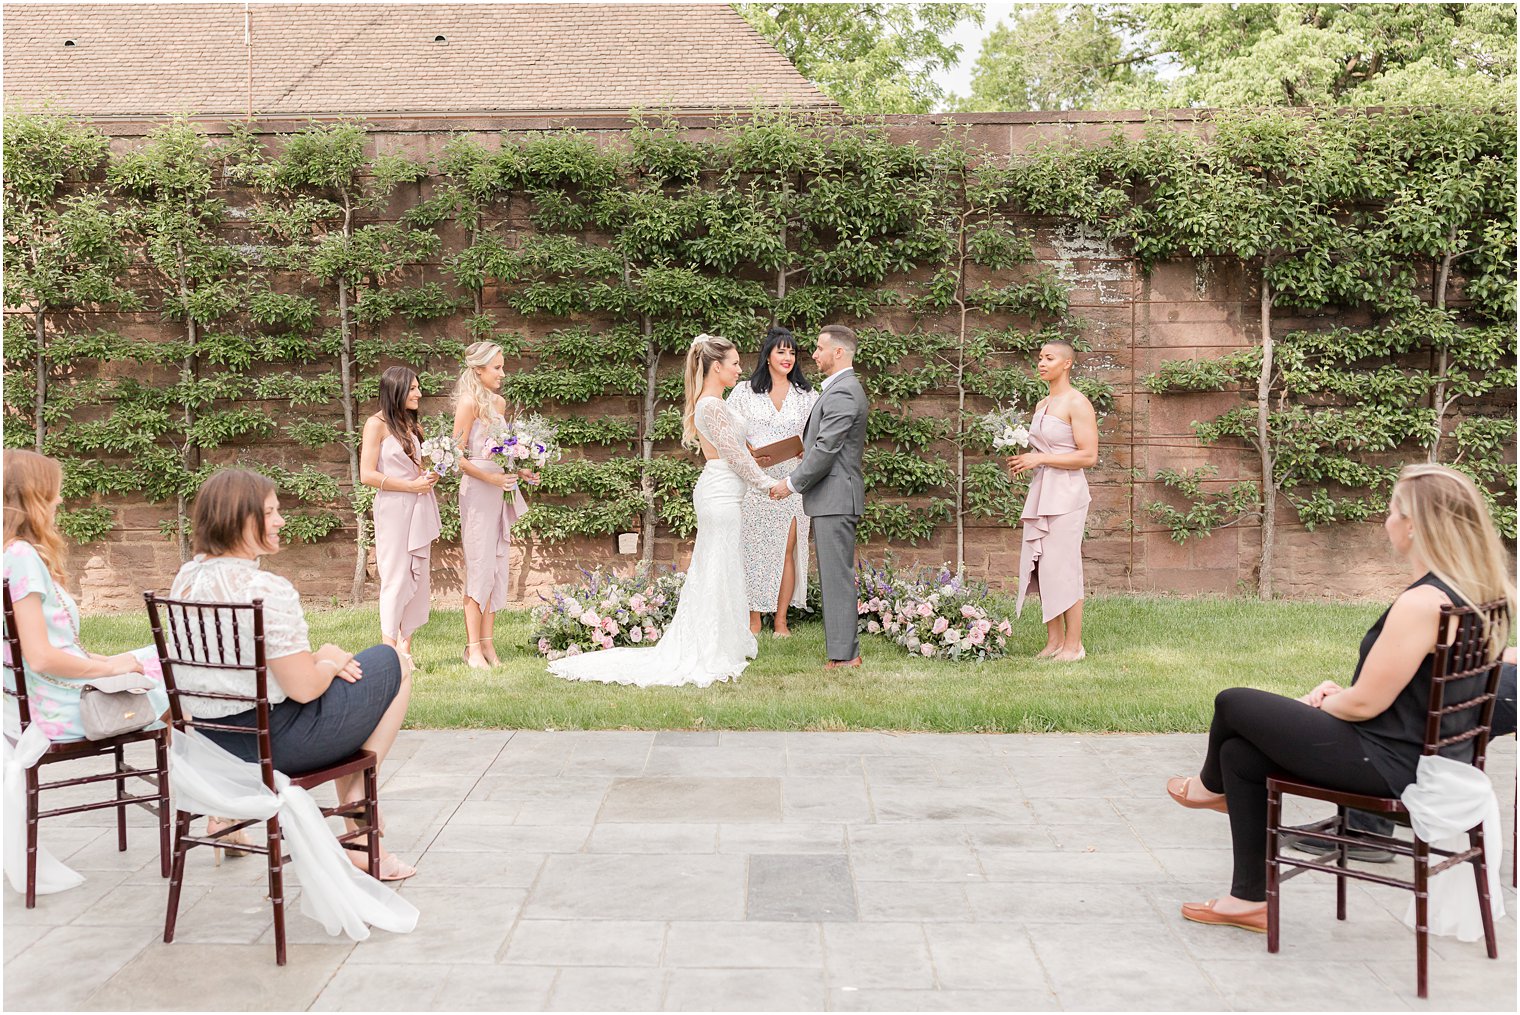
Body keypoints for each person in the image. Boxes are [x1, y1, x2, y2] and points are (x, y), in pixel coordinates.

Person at [1165, 463, 1514, 933]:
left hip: (1390, 765)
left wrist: (1324, 702)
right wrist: (1343, 694)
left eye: (1392, 511)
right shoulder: (1479, 593)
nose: (1387, 521)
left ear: (1412, 526)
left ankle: (1210, 789)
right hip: (1425, 758)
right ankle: (1247, 900)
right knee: (1240, 753)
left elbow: (1366, 706)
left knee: (1233, 702)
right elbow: (1411, 690)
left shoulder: (1422, 603)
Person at [169, 469, 416, 881]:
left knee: (353, 672)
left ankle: (224, 820)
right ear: (240, 519)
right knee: (396, 662)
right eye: (270, 512)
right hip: (275, 744)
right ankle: (357, 811)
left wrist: (319, 660)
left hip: (212, 743)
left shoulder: (185, 580)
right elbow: (304, 690)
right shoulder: (265, 588)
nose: (281, 520)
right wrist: (331, 659)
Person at [548, 334, 775, 687]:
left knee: (723, 566)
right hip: (720, 494)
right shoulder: (711, 405)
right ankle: (707, 646)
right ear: (716, 367)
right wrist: (767, 483)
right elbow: (733, 456)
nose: (739, 368)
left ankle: (722, 641)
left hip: (727, 490)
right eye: (734, 363)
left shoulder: (716, 402)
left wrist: (756, 458)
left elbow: (737, 449)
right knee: (714, 567)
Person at [2, 450, 169, 741]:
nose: (59, 500)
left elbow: (51, 646)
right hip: (60, 710)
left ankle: (192, 768)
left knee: (165, 653)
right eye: (53, 493)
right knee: (181, 671)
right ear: (35, 499)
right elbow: (40, 657)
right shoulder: (21, 557)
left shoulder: (12, 554)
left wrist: (109, 661)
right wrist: (107, 670)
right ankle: (196, 772)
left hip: (47, 695)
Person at [768, 324, 869, 670]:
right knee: (833, 575)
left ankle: (846, 656)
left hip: (836, 496)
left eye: (819, 348)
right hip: (832, 497)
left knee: (836, 577)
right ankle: (842, 652)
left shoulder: (843, 391)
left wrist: (791, 483)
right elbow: (824, 444)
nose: (813, 355)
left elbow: (828, 448)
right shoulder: (840, 389)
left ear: (838, 352)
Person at [1007, 340, 1097, 662]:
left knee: (1064, 567)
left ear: (1067, 363)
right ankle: (1054, 640)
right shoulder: (1043, 403)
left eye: (1049, 357)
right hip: (1042, 491)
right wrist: (1025, 458)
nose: (1042, 362)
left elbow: (1088, 456)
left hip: (1068, 496)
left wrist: (1040, 457)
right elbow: (1043, 450)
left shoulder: (1077, 403)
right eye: (1040, 357)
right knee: (1043, 565)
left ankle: (1074, 646)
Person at [727, 326, 818, 637]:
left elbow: (817, 438)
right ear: (767, 355)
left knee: (787, 548)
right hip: (756, 480)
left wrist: (803, 452)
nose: (787, 357)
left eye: (792, 352)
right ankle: (753, 619)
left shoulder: (807, 396)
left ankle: (781, 620)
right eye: (781, 351)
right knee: (754, 548)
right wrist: (748, 451)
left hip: (793, 480)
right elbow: (727, 434)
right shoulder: (743, 392)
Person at [453, 341, 535, 670]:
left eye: (503, 366)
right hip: (477, 493)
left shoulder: (499, 404)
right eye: (497, 367)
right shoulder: (468, 403)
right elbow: (458, 458)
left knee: (498, 566)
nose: (503, 372)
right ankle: (472, 648)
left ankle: (488, 645)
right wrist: (491, 480)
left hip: (500, 489)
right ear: (478, 370)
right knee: (479, 567)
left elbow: (501, 453)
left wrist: (520, 471)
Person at [359, 366, 440, 673]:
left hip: (419, 504)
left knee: (417, 577)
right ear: (396, 391)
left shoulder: (411, 424)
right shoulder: (375, 424)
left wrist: (429, 476)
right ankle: (388, 651)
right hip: (393, 507)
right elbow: (367, 474)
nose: (419, 393)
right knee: (395, 576)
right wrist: (410, 485)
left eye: (419, 387)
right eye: (413, 388)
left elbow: (415, 468)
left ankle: (406, 646)